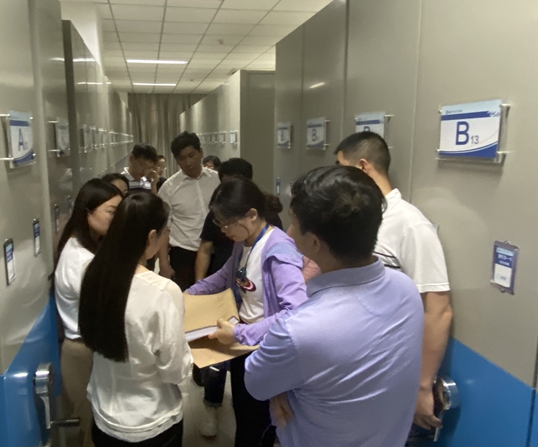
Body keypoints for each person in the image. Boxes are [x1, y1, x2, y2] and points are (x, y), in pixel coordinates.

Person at [244, 166, 424, 447]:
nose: (288, 232)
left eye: (294, 223)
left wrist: (280, 389)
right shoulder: (406, 290)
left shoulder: (298, 331)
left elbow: (257, 383)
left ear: (315, 242)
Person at [334, 132, 453, 437]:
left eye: (342, 168)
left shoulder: (410, 224)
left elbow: (438, 310)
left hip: (389, 374)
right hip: (354, 370)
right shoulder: (358, 219)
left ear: (363, 167)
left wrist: (423, 385)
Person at [186, 177, 307, 447]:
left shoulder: (279, 251)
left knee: (258, 425)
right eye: (219, 223)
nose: (223, 230)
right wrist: (187, 295)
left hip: (265, 349)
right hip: (243, 345)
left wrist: (241, 333)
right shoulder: (244, 241)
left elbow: (297, 312)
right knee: (244, 414)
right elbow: (226, 275)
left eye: (227, 223)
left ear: (252, 215)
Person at [79, 192, 192, 447]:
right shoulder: (163, 291)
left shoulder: (92, 272)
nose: (166, 238)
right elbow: (173, 371)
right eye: (165, 233)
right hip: (151, 419)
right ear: (151, 237)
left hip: (104, 415)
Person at [54, 179, 123, 447]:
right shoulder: (81, 260)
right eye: (111, 211)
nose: (117, 219)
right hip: (82, 352)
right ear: (87, 212)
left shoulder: (87, 245)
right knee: (91, 430)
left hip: (89, 348)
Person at [158, 132, 220, 290]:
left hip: (218, 250)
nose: (188, 162)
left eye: (191, 155)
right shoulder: (169, 188)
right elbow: (164, 229)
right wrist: (164, 264)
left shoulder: (218, 180)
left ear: (201, 152)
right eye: (182, 158)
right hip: (184, 254)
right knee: (187, 298)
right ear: (176, 160)